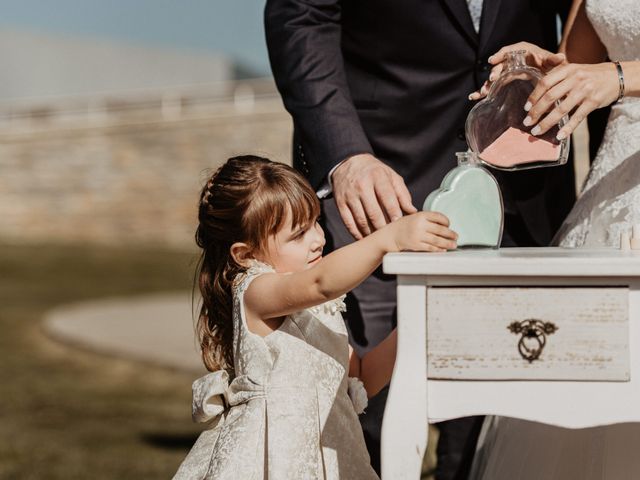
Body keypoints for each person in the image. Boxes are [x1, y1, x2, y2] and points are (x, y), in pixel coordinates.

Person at [264, 0, 575, 477]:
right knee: (365, 400)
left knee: (498, 416)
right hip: (380, 181)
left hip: (525, 182)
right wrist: (346, 154)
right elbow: (302, 16)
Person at [172, 155, 457, 479]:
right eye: (298, 234)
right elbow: (320, 282)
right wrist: (387, 239)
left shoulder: (317, 310)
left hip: (331, 459)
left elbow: (363, 378)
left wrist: (415, 322)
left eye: (316, 223)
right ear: (246, 253)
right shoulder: (254, 291)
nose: (318, 239)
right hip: (277, 464)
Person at [468, 1, 640, 478]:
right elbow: (581, 62)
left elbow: (609, 74)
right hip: (613, 185)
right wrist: (546, 71)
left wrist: (620, 78)